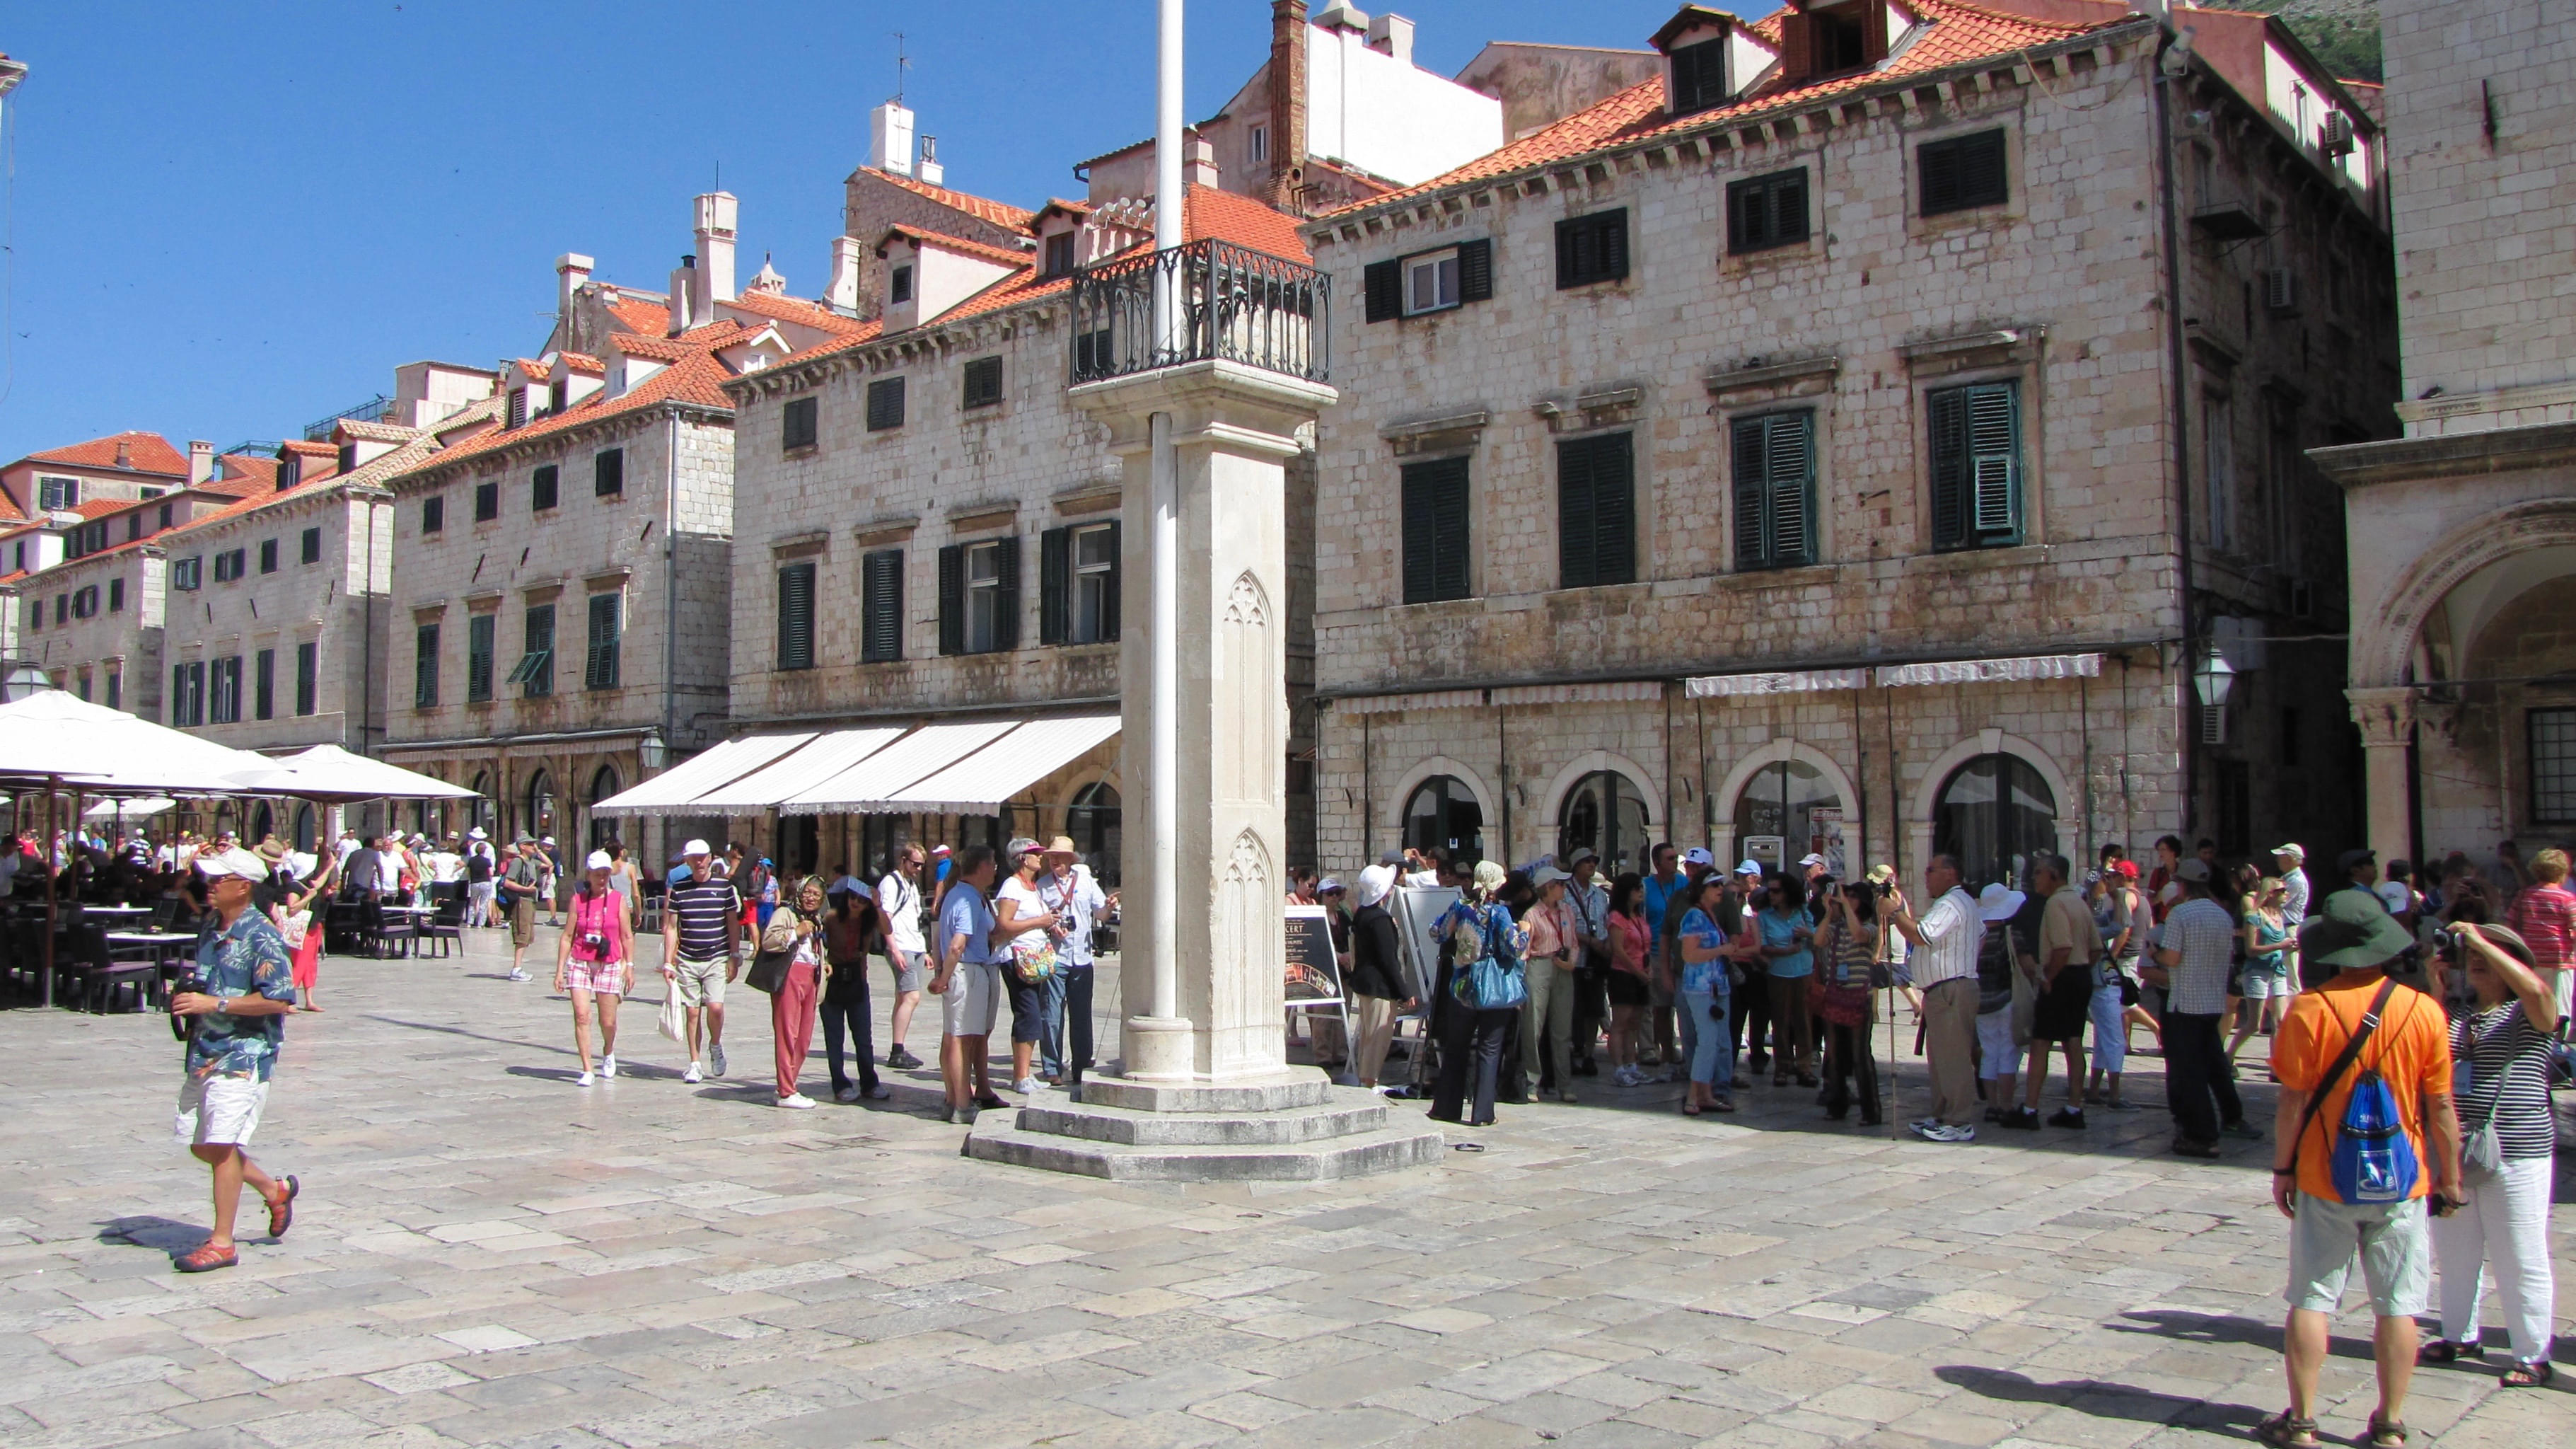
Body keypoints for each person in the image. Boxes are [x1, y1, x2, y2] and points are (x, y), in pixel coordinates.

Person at [2257, 891, 2461, 1449]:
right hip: (2402, 1178)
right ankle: (2391, 1422)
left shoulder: (2309, 1009)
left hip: (2326, 1174)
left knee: (2312, 1298)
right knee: (2398, 1306)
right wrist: (2451, 1177)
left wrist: (2283, 1168)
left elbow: (2293, 1101)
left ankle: (2302, 1422)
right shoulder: (2423, 1011)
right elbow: (2440, 1104)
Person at [2419, 921, 2560, 1387]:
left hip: (2518, 1150)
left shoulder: (2526, 1012)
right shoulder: (2460, 1016)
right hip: (2457, 1150)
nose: (2478, 960)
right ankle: (2459, 1334)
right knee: (2455, 1250)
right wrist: (2435, 987)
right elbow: (2431, 1056)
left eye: (2493, 954)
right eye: (2473, 955)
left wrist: (2481, 942)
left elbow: (2541, 996)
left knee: (2518, 1253)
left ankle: (2532, 1354)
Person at [166, 848, 302, 1274]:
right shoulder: (211, 926)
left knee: (223, 1147)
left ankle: (222, 1242)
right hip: (207, 1049)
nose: (208, 886)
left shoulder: (261, 935)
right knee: (203, 1145)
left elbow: (279, 999)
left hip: (244, 1055)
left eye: (218, 880)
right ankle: (273, 1189)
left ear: (242, 887)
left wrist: (215, 1001)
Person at [2149, 858, 2260, 1158]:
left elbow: (2172, 958)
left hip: (2185, 1002)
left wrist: (2155, 954)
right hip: (2212, 1001)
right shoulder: (2223, 916)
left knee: (2189, 1073)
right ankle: (2233, 1116)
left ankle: (2202, 1134)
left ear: (2182, 885)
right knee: (2214, 1063)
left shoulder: (2180, 914)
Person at [1889, 854, 1985, 1143]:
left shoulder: (1952, 903)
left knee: (1953, 1057)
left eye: (1931, 870)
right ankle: (1943, 1114)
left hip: (1951, 987)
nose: (1926, 875)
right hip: (1944, 987)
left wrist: (1895, 914)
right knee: (1941, 1057)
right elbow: (1980, 932)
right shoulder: (1960, 903)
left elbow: (1922, 934)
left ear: (1950, 873)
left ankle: (1959, 1120)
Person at [1428, 860, 1524, 1128]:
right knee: (1489, 1050)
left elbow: (1436, 932)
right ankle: (1482, 1113)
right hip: (1492, 989)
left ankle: (1446, 1107)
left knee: (1456, 1047)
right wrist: (1525, 932)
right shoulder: (1500, 913)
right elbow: (1513, 947)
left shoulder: (1461, 907)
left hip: (1462, 985)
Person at [2017, 853, 2096, 1128]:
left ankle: (2030, 1109)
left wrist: (2049, 977)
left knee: (2041, 1043)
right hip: (2081, 974)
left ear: (2053, 874)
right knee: (2073, 1040)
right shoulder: (2080, 902)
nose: (2034, 877)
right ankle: (2074, 1108)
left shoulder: (2055, 903)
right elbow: (2096, 948)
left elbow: (2062, 947)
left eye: (2039, 872)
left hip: (2062, 976)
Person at [929, 845, 1006, 1124]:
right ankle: (962, 1104)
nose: (996, 870)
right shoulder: (966, 899)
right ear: (982, 867)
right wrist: (943, 978)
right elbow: (957, 944)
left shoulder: (960, 894)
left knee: (955, 1037)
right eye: (993, 864)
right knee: (961, 1041)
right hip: (968, 972)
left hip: (965, 972)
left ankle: (954, 1099)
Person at [660, 839, 740, 1084]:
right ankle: (694, 1063)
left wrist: (734, 955)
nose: (698, 862)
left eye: (702, 857)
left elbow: (732, 923)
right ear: (687, 861)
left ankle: (715, 1045)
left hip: (716, 956)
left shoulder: (724, 887)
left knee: (715, 1007)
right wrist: (668, 962)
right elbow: (672, 927)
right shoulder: (680, 888)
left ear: (709, 858)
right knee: (692, 1012)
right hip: (687, 958)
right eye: (693, 858)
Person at [990, 838, 1064, 1097]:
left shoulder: (1031, 887)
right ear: (1022, 858)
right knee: (1028, 1014)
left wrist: (1050, 924)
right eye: (1035, 854)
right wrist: (1040, 920)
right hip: (1017, 958)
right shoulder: (1012, 886)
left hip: (1034, 958)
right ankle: (1020, 1076)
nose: (1040, 858)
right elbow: (1004, 925)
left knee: (1031, 1015)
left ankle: (1023, 1074)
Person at [1035, 838, 1111, 1087]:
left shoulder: (1087, 882)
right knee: (1051, 1013)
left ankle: (1080, 1065)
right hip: (1055, 956)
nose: (1054, 860)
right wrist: (1050, 927)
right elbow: (1037, 921)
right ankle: (1052, 1067)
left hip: (1082, 957)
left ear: (1070, 859)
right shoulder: (1042, 886)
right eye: (1051, 856)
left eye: (1059, 856)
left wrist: (1110, 906)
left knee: (1082, 1015)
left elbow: (1100, 913)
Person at [555, 850, 633, 1086]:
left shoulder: (618, 900)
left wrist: (629, 966)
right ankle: (587, 1068)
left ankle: (608, 1051)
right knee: (582, 1016)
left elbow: (627, 935)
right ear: (588, 875)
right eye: (597, 874)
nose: (601, 879)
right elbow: (567, 936)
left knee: (607, 1021)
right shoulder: (578, 901)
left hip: (609, 962)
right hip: (580, 961)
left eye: (605, 874)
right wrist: (560, 970)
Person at [753, 877, 828, 1109]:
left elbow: (817, 946)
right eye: (807, 892)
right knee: (788, 1033)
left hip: (811, 977)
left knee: (804, 1038)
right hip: (790, 974)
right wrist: (796, 932)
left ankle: (788, 1084)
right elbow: (769, 940)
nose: (811, 898)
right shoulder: (786, 913)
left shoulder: (816, 919)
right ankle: (786, 1090)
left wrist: (824, 963)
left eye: (816, 894)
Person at [1814, 880, 1882, 1125]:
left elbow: (1859, 935)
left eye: (1853, 897)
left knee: (1860, 1055)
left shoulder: (1871, 927)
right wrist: (1828, 913)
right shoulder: (1838, 926)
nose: (1848, 900)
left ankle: (1870, 1111)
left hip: (1858, 997)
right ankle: (1837, 1104)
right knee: (1833, 1055)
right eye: (1847, 896)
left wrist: (1847, 909)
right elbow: (1819, 940)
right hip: (1835, 995)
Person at [818, 879, 890, 1103]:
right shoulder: (831, 917)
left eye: (861, 900)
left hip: (857, 979)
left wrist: (878, 906)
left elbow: (888, 929)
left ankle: (870, 1082)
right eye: (852, 898)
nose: (856, 903)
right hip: (833, 979)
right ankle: (840, 1083)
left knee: (863, 1036)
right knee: (835, 1036)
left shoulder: (869, 920)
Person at [1971, 881, 2033, 1125]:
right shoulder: (2011, 933)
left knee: (1989, 1053)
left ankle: (1992, 1105)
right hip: (2007, 998)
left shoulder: (1974, 936)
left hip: (1981, 1001)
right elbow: (2026, 965)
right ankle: (2006, 1105)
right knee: (2008, 1052)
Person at [1673, 874, 1736, 1115]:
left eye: (1721, 885)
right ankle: (1692, 1096)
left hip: (1718, 985)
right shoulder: (1694, 916)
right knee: (1707, 1041)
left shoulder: (1711, 916)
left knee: (1720, 1040)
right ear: (1702, 890)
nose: (1720, 889)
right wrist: (1721, 950)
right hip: (1700, 988)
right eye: (1715, 885)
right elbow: (1689, 955)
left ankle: (1707, 1094)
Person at [1346, 864, 1412, 1090]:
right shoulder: (1380, 919)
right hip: (1379, 986)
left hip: (1366, 983)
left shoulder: (1363, 915)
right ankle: (1369, 1082)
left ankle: (1367, 1081)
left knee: (1368, 1036)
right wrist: (1404, 992)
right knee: (1377, 1038)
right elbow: (1388, 959)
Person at [1519, 865, 1580, 1103]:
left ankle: (1564, 1084)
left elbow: (1574, 941)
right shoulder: (1532, 915)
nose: (1564, 888)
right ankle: (1532, 1082)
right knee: (1533, 1026)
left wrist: (1571, 962)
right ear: (1548, 888)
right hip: (1540, 965)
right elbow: (1524, 951)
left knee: (1562, 1029)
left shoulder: (1567, 911)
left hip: (1563, 968)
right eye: (1561, 884)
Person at [1756, 874, 1817, 1087]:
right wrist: (1785, 950)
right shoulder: (1764, 916)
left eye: (1776, 891)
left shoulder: (1802, 911)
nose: (1771, 895)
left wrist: (1807, 934)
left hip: (1803, 971)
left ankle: (1805, 1066)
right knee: (1780, 1021)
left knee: (1803, 1020)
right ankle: (1782, 1065)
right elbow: (1762, 945)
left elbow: (1818, 935)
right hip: (1779, 973)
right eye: (1769, 891)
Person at [2229, 877, 2297, 1066]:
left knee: (2280, 1020)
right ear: (2270, 894)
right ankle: (2229, 1055)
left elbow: (2279, 946)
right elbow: (2251, 950)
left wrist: (2289, 948)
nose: (2286, 894)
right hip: (2257, 972)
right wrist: (2280, 945)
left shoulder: (2280, 917)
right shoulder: (2254, 917)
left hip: (2277, 971)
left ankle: (2276, 1065)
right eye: (2282, 890)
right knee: (2254, 1024)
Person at [2501, 844, 2574, 1019]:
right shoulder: (2567, 899)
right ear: (2563, 873)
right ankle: (2558, 1042)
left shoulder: (2524, 895)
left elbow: (2509, 923)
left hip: (2531, 957)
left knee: (2534, 1002)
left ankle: (2536, 1038)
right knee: (2559, 1006)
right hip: (2560, 960)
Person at [875, 845, 930, 1072]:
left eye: (921, 866)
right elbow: (885, 917)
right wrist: (894, 949)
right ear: (904, 860)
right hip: (901, 945)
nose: (918, 869)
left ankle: (899, 1047)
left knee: (903, 997)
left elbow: (915, 920)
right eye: (915, 864)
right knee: (911, 997)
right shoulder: (891, 882)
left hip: (914, 945)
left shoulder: (912, 885)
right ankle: (897, 1051)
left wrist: (924, 951)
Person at [1639, 844, 1690, 1072]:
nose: (1673, 862)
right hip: (1658, 953)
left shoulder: (1683, 884)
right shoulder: (1647, 887)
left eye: (1675, 858)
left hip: (1682, 952)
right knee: (1661, 1006)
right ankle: (1665, 1051)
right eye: (1669, 858)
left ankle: (1681, 1049)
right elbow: (1641, 919)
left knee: (1683, 1004)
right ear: (1657, 863)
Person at [1563, 848, 1610, 1078]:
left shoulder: (1600, 896)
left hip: (1595, 960)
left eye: (1594, 861)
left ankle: (1590, 1053)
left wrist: (1605, 944)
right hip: (1574, 960)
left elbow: (1606, 923)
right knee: (1572, 1009)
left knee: (1594, 1008)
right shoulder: (1565, 894)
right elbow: (1565, 927)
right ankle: (1571, 1051)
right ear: (1576, 865)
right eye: (1586, 861)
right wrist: (1589, 940)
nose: (1591, 865)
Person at [1603, 873, 1652, 1087]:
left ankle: (1632, 1064)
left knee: (1634, 1023)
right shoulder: (1617, 917)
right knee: (1620, 1023)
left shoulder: (1639, 917)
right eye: (1636, 889)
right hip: (1623, 973)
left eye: (1641, 888)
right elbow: (1619, 950)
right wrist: (1637, 972)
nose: (1641, 892)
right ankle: (1618, 1067)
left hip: (1641, 973)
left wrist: (1647, 970)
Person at [272, 853, 337, 1012]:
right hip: (303, 931)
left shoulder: (308, 884)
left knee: (310, 965)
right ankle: (289, 1000)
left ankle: (309, 1000)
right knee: (299, 964)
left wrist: (331, 866)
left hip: (313, 928)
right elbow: (292, 908)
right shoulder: (295, 887)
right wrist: (308, 898)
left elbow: (319, 882)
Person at [500, 836, 545, 982]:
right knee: (522, 934)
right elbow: (507, 882)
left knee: (528, 935)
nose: (534, 847)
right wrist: (525, 889)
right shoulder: (517, 862)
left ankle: (518, 967)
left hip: (531, 901)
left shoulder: (532, 861)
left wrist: (538, 851)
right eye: (531, 845)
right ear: (522, 846)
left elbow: (549, 864)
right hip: (522, 900)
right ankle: (517, 968)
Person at [464, 830, 497, 928]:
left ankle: (470, 922)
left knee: (472, 903)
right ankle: (481, 923)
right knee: (484, 903)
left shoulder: (472, 859)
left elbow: (469, 871)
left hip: (474, 882)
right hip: (486, 881)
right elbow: (491, 872)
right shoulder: (487, 860)